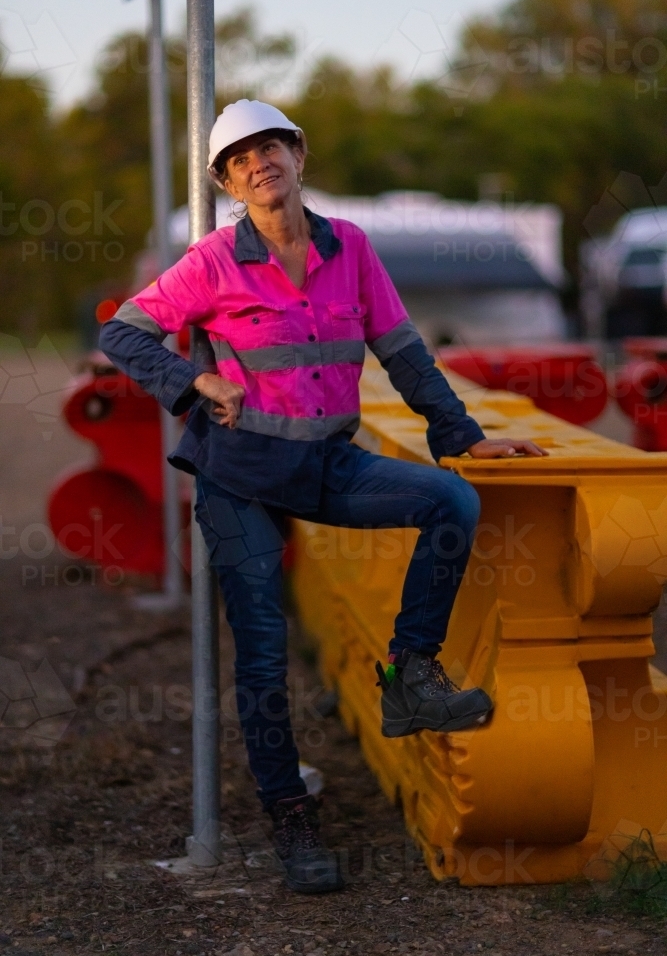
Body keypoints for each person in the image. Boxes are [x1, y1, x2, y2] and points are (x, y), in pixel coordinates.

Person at [99, 99, 547, 894]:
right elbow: (123, 333)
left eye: (269, 146)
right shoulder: (211, 260)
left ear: (298, 155)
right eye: (238, 159)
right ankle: (288, 818)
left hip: (325, 463)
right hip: (237, 473)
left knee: (452, 503)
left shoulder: (353, 249)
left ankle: (410, 674)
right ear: (229, 183)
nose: (258, 163)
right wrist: (192, 379)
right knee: (264, 650)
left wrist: (463, 435)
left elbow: (404, 353)